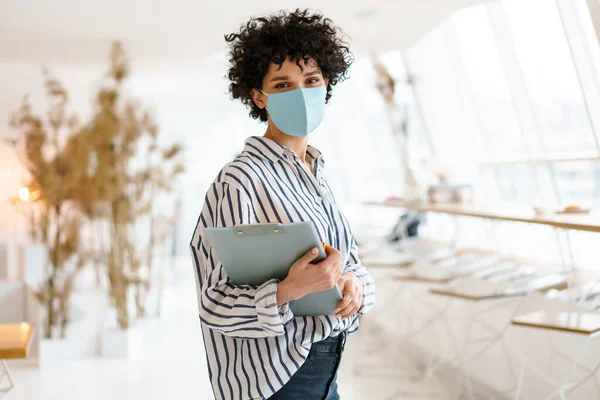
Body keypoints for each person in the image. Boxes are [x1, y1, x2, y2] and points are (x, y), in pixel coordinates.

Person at [190, 9, 375, 400]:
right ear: (259, 96)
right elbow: (214, 304)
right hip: (277, 379)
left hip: (327, 366)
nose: (302, 93)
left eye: (311, 80)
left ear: (326, 84)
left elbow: (351, 261)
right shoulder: (240, 180)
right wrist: (287, 290)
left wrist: (355, 285)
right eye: (283, 84)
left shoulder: (316, 173)